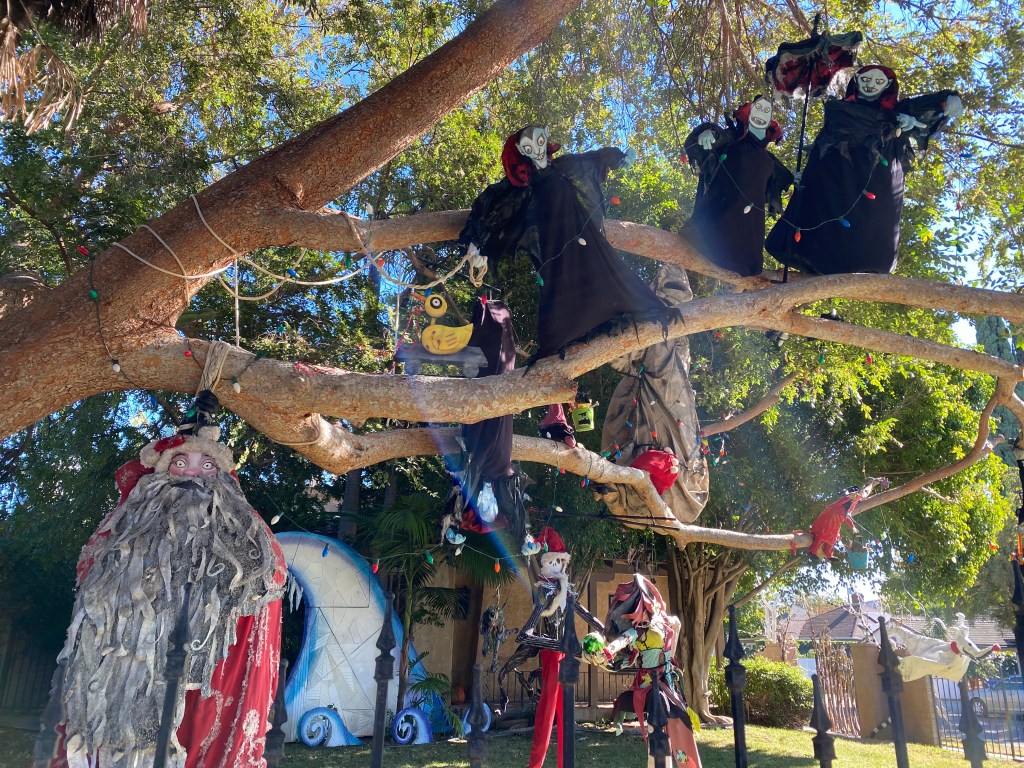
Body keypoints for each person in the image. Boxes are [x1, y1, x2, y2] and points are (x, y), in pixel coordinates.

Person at [44, 392, 286, 768]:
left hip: (203, 683)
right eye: (180, 462)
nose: (192, 474)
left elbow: (269, 580)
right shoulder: (121, 533)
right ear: (160, 470)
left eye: (207, 465)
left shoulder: (249, 540)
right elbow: (92, 577)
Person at [460, 125, 664, 359]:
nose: (536, 150)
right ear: (521, 150)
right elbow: (495, 206)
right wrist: (476, 244)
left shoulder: (564, 167)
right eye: (528, 148)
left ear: (545, 137)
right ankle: (562, 335)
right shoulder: (525, 185)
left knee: (603, 269)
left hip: (582, 232)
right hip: (552, 244)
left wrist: (619, 159)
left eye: (538, 142)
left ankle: (624, 308)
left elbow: (593, 159)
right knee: (559, 283)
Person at [765, 65, 961, 274]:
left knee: (870, 223)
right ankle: (817, 257)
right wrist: (806, 178)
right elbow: (823, 148)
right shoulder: (839, 110)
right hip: (837, 177)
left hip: (877, 180)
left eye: (879, 81)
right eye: (866, 79)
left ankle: (864, 261)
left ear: (888, 85)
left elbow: (930, 106)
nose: (871, 85)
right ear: (856, 81)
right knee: (827, 216)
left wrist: (946, 101)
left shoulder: (899, 111)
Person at [682, 96, 794, 277]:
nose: (761, 114)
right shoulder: (732, 140)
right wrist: (706, 132)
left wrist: (796, 180)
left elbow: (781, 181)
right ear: (749, 112)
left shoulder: (769, 161)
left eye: (766, 111)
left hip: (748, 245)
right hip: (713, 226)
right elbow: (714, 136)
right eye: (758, 108)